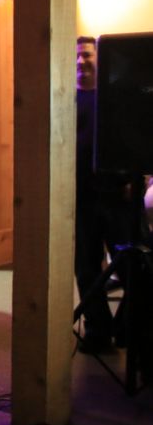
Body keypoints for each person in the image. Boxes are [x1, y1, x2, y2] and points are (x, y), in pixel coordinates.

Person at [74, 35, 134, 354]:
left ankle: (127, 328)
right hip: (81, 200)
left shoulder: (115, 98)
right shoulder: (66, 100)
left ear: (99, 58)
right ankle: (98, 330)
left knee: (131, 267)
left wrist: (131, 180)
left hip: (117, 198)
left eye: (87, 55)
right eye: (77, 57)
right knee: (87, 269)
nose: (81, 61)